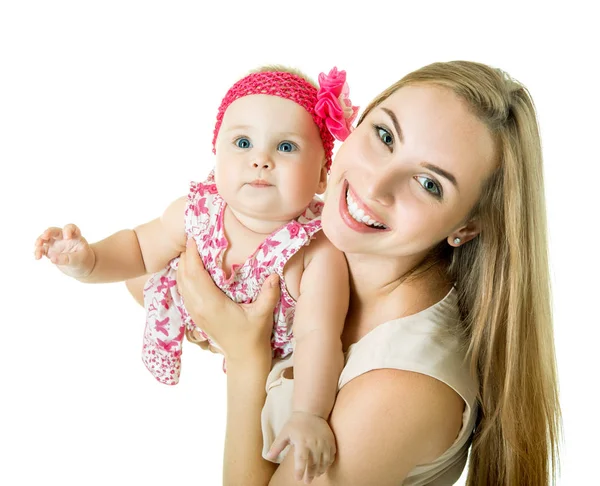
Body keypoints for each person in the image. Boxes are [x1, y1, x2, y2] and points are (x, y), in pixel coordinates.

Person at [174, 60, 562, 485]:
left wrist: (246, 358)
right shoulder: (310, 247)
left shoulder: (399, 387)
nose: (375, 185)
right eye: (384, 135)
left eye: (429, 184)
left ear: (465, 227)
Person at [33, 65, 360, 478]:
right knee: (143, 277)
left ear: (321, 175)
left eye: (287, 147)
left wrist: (309, 413)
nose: (260, 159)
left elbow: (319, 337)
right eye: (243, 142)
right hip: (197, 314)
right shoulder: (197, 211)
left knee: (277, 410)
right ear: (216, 155)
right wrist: (89, 260)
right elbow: (137, 246)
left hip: (270, 357)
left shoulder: (315, 252)